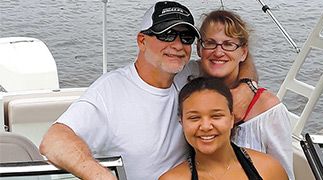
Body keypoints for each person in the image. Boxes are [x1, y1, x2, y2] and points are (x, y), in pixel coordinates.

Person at [39, 1, 257, 180]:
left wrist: (247, 87)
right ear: (142, 41)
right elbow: (54, 140)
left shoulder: (188, 73)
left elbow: (237, 60)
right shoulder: (110, 91)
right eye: (166, 35)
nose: (178, 45)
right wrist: (102, 176)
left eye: (186, 37)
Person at [185, 10, 294, 179]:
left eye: (229, 44)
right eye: (210, 43)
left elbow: (283, 173)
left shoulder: (269, 110)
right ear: (199, 49)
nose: (218, 52)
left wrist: (247, 86)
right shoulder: (188, 81)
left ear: (243, 52)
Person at [159, 77, 288, 180]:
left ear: (232, 119)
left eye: (216, 116)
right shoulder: (172, 178)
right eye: (194, 117)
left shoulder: (268, 169)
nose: (205, 126)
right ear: (182, 122)